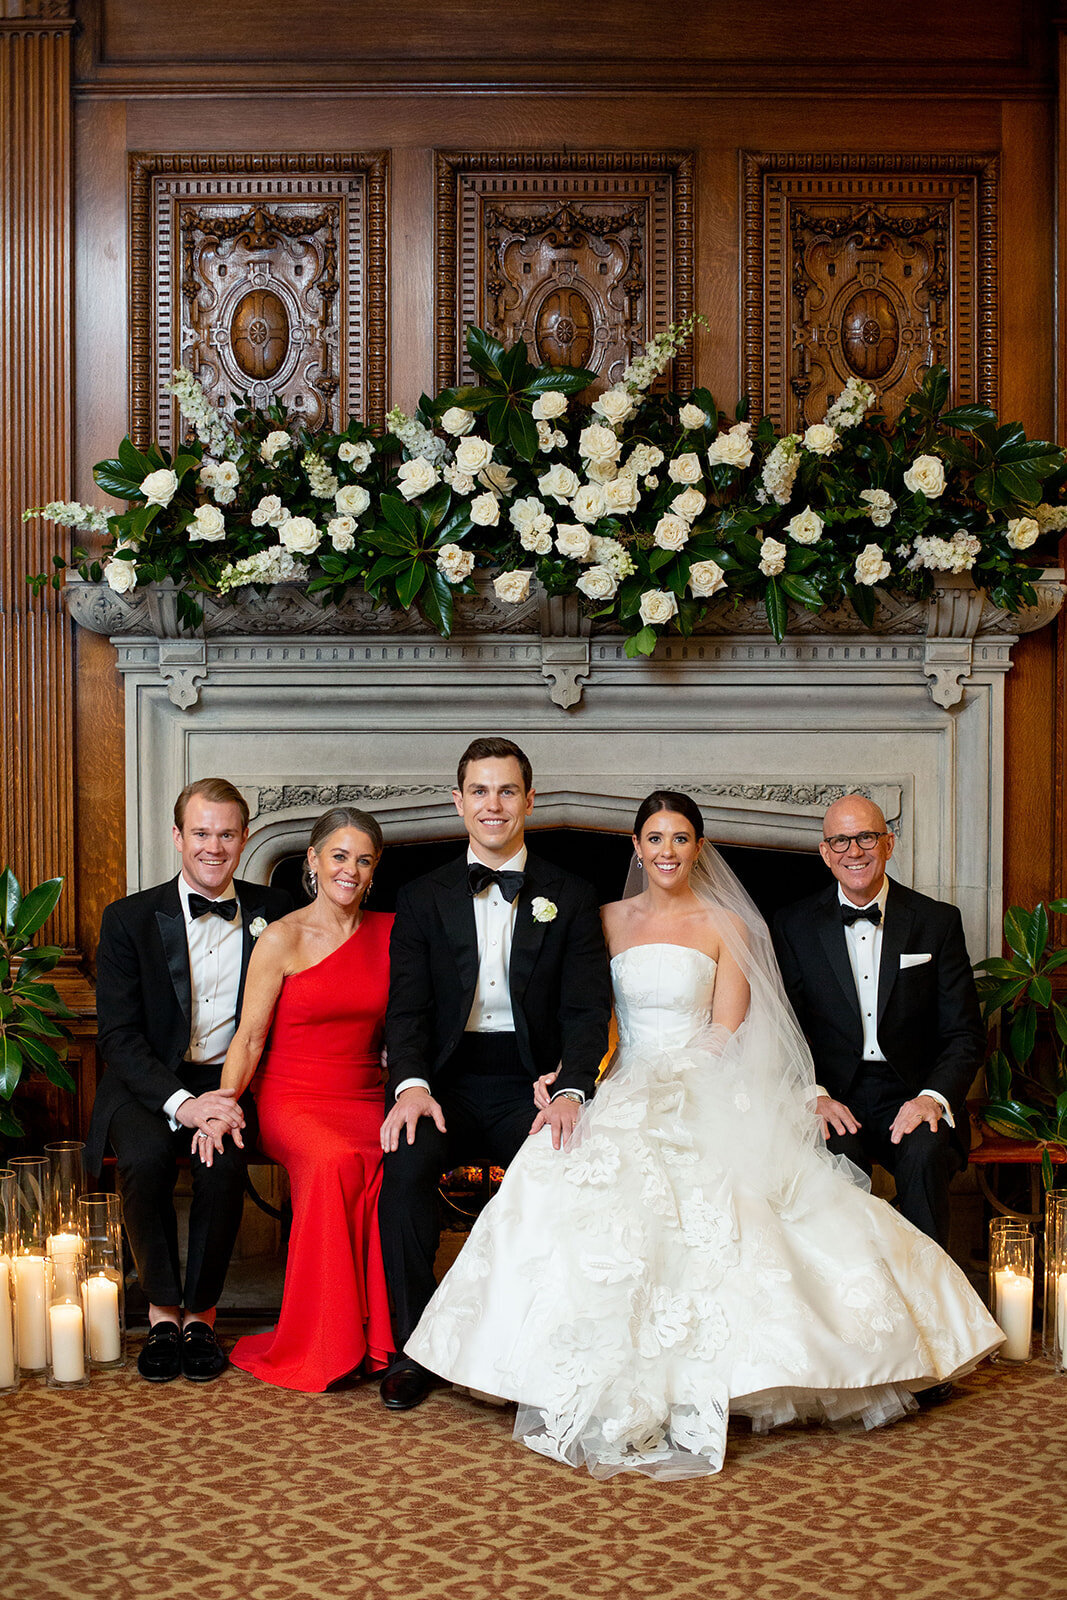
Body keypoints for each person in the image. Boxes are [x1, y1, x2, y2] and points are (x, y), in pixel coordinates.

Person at [404, 791, 1002, 1479]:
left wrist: (676, 1078)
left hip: (704, 1082)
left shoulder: (728, 923)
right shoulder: (600, 921)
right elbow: (587, 1018)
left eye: (680, 838)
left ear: (697, 848)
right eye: (654, 837)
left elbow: (725, 1027)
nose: (666, 850)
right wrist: (569, 1077)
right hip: (624, 1082)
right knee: (561, 1169)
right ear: (635, 846)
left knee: (742, 1208)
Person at [378, 735, 613, 1411]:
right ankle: (414, 1348)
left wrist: (571, 1087)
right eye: (479, 791)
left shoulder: (570, 894)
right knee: (404, 1169)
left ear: (529, 800)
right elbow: (408, 1009)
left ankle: (533, 1346)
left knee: (564, 1175)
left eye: (506, 790)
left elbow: (586, 1008)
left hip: (529, 1081)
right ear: (457, 802)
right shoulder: (421, 896)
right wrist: (411, 1086)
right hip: (443, 1082)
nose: (493, 804)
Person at [88, 778, 292, 1383]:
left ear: (245, 838)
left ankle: (200, 1316)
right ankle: (160, 1315)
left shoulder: (275, 914)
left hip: (234, 1079)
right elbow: (118, 1038)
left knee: (222, 1165)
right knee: (145, 1159)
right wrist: (185, 1105)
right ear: (178, 837)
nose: (214, 846)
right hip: (146, 1083)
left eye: (227, 833)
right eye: (201, 833)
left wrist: (223, 1101)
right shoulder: (128, 919)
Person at [220, 806, 394, 1392]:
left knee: (393, 1159)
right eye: (339, 856)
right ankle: (325, 1343)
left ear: (374, 871)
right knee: (332, 1161)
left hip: (366, 1094)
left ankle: (382, 1340)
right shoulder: (282, 937)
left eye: (363, 860)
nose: (350, 870)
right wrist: (222, 1102)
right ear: (314, 861)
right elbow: (249, 1036)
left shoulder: (393, 933)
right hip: (293, 1097)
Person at [772, 793, 985, 1251]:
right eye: (841, 841)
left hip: (912, 1090)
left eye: (866, 836)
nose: (855, 851)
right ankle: (855, 1305)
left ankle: (933, 1301)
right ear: (825, 854)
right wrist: (813, 1094)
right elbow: (784, 1028)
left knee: (925, 1153)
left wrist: (932, 1098)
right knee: (828, 1160)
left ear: (889, 843)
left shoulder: (937, 922)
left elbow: (964, 1033)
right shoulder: (791, 926)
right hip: (834, 1095)